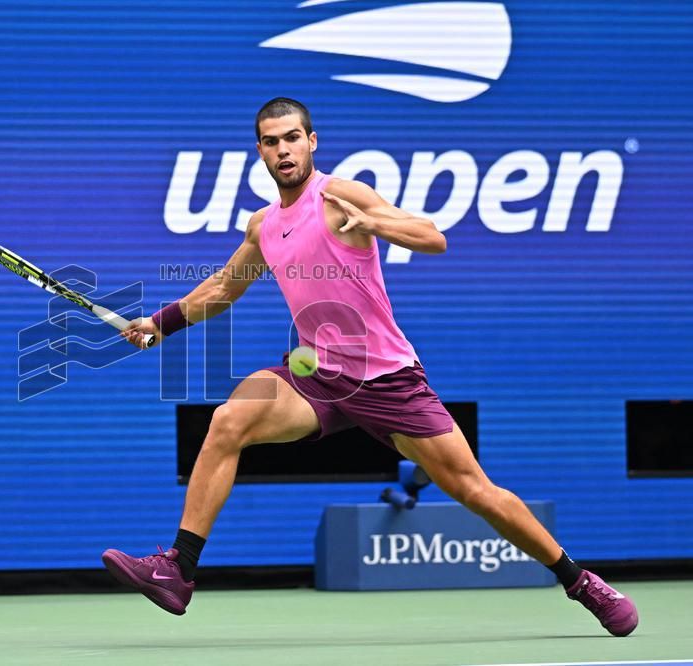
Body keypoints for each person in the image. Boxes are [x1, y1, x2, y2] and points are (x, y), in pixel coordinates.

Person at [102, 97, 638, 637]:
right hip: (316, 375)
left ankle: (578, 580)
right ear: (260, 152)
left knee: (476, 491)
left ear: (312, 141)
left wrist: (376, 223)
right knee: (229, 420)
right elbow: (223, 287)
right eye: (272, 141)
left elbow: (434, 237)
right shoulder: (263, 225)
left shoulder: (340, 195)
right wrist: (159, 323)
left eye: (293, 138)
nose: (283, 149)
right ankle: (178, 568)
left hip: (387, 379)